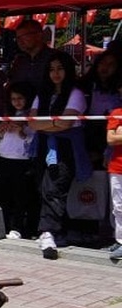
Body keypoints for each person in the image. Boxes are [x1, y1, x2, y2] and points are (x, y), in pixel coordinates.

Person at [29, 52, 89, 260]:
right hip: (43, 146)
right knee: (43, 187)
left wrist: (47, 125)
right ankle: (53, 230)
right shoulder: (42, 94)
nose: (56, 73)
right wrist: (54, 124)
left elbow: (67, 122)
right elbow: (33, 122)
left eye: (60, 68)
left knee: (55, 188)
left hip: (66, 148)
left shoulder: (76, 94)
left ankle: (48, 232)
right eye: (52, 69)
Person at [0, 83, 39, 239]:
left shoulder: (32, 116)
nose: (17, 102)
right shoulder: (9, 114)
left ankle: (19, 227)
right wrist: (0, 132)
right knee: (5, 195)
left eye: (20, 98)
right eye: (13, 99)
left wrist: (21, 131)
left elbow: (33, 139)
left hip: (23, 160)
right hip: (5, 159)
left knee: (22, 196)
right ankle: (5, 225)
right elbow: (2, 140)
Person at [106, 105, 122, 261]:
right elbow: (111, 139)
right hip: (117, 167)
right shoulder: (117, 113)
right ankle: (120, 240)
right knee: (118, 207)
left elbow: (116, 137)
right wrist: (115, 136)